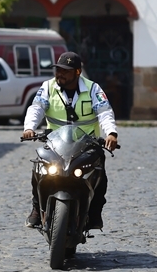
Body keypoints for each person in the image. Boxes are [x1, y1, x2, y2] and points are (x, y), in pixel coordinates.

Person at [21, 51, 117, 230]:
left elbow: (104, 112)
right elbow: (37, 108)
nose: (60, 74)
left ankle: (95, 213)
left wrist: (111, 133)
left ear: (77, 72)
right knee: (38, 170)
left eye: (65, 71)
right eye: (58, 70)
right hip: (54, 144)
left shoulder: (93, 89)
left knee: (99, 174)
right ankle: (36, 208)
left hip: (86, 146)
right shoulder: (48, 87)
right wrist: (29, 128)